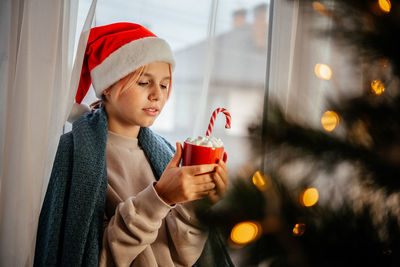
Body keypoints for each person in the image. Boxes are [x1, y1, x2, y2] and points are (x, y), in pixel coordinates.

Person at [34, 23, 233, 267]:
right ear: (107, 85)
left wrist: (197, 205)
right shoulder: (72, 154)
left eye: (163, 84)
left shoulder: (166, 153)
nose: (157, 95)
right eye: (143, 82)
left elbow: (183, 257)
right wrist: (160, 197)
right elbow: (92, 258)